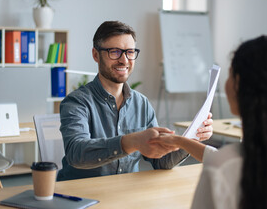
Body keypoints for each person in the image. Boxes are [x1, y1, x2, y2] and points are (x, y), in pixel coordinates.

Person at [149, 35, 267, 209]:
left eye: (229, 74)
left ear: (238, 84)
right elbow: (219, 156)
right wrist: (180, 141)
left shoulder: (222, 169)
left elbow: (225, 162)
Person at [57, 21, 213, 181]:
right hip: (80, 196)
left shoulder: (142, 104)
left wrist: (192, 138)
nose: (124, 60)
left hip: (125, 194)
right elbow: (76, 153)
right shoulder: (76, 102)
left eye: (130, 52)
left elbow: (161, 162)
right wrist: (130, 142)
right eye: (115, 52)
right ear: (96, 55)